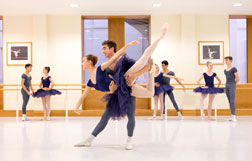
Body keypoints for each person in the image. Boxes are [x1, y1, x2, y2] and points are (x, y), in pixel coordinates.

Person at [75, 24, 168, 150]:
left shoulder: (120, 60)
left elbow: (143, 66)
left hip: (127, 88)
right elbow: (107, 83)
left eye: (105, 48)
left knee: (132, 114)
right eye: (102, 49)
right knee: (105, 117)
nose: (102, 51)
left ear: (112, 49)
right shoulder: (104, 67)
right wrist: (111, 90)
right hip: (116, 92)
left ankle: (129, 140)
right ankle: (89, 140)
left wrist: (134, 75)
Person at [224, 56, 240, 122]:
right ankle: (231, 115)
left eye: (227, 60)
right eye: (225, 60)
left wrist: (233, 84)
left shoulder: (234, 69)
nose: (226, 61)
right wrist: (226, 86)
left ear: (230, 61)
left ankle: (234, 116)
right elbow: (227, 79)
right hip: (227, 85)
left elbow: (238, 78)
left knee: (232, 101)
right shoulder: (225, 70)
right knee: (230, 101)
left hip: (232, 85)